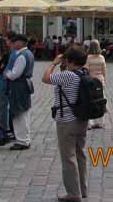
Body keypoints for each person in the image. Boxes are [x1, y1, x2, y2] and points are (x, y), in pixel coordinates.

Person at [43, 46, 89, 202]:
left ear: (70, 61)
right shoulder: (84, 73)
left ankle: (73, 194)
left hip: (66, 121)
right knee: (80, 154)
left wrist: (54, 63)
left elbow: (46, 78)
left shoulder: (68, 75)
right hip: (82, 119)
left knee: (68, 158)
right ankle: (82, 189)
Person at [4, 33, 34, 150]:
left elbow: (15, 74)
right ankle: (25, 138)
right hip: (24, 84)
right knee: (24, 111)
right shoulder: (29, 53)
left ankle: (22, 140)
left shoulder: (22, 55)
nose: (13, 44)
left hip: (19, 85)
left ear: (20, 42)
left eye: (15, 41)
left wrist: (7, 74)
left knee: (18, 111)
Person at [85, 40, 107, 130]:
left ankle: (90, 123)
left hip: (90, 81)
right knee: (100, 101)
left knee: (89, 101)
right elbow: (104, 71)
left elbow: (86, 69)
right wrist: (103, 80)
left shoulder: (88, 57)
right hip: (100, 81)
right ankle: (101, 122)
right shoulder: (102, 57)